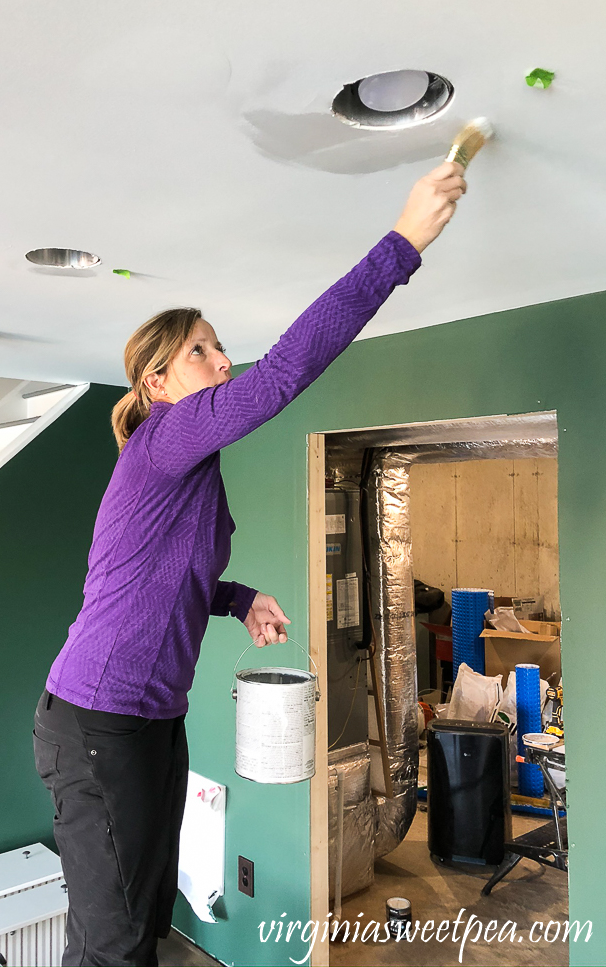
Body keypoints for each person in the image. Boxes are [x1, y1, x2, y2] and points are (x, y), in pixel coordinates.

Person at [33, 160, 467, 966]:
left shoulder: (183, 470)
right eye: (202, 352)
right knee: (112, 944)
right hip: (98, 720)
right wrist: (402, 243)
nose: (223, 361)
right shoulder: (166, 439)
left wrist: (235, 598)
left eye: (220, 346)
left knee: (143, 919)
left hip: (149, 720)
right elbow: (284, 374)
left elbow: (158, 578)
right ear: (157, 383)